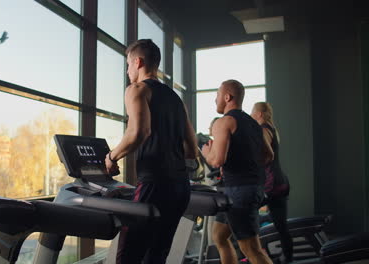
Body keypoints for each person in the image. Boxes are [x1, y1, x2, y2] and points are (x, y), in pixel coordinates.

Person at [104, 39, 198, 264]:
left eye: (128, 64)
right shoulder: (176, 99)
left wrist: (111, 156)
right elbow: (191, 150)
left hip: (155, 185)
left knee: (128, 257)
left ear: (138, 62)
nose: (127, 71)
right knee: (156, 256)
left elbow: (139, 132)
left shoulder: (137, 89)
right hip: (180, 187)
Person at [201, 79, 273, 264]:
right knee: (219, 236)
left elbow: (217, 160)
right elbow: (268, 156)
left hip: (239, 191)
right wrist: (243, 160)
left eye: (217, 95)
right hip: (246, 188)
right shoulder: (253, 124)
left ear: (227, 97)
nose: (215, 99)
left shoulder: (224, 122)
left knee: (251, 249)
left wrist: (206, 153)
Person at [251, 102, 293, 263]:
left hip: (271, 184)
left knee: (245, 214)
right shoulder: (272, 128)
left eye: (253, 112)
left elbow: (265, 154)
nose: (251, 115)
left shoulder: (263, 129)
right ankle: (287, 257)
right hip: (281, 182)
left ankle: (255, 254)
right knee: (280, 224)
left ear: (260, 114)